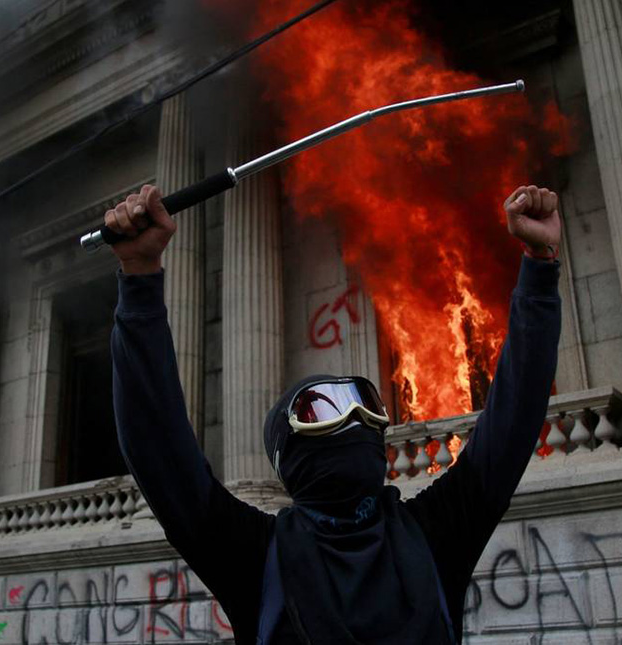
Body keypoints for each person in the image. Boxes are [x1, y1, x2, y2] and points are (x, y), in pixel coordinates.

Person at [106, 182, 562, 644]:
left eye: (365, 402)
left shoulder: (436, 531)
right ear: (288, 453)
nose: (353, 418)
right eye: (320, 408)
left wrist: (540, 267)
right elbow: (157, 446)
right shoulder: (256, 555)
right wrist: (139, 276)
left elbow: (514, 415)